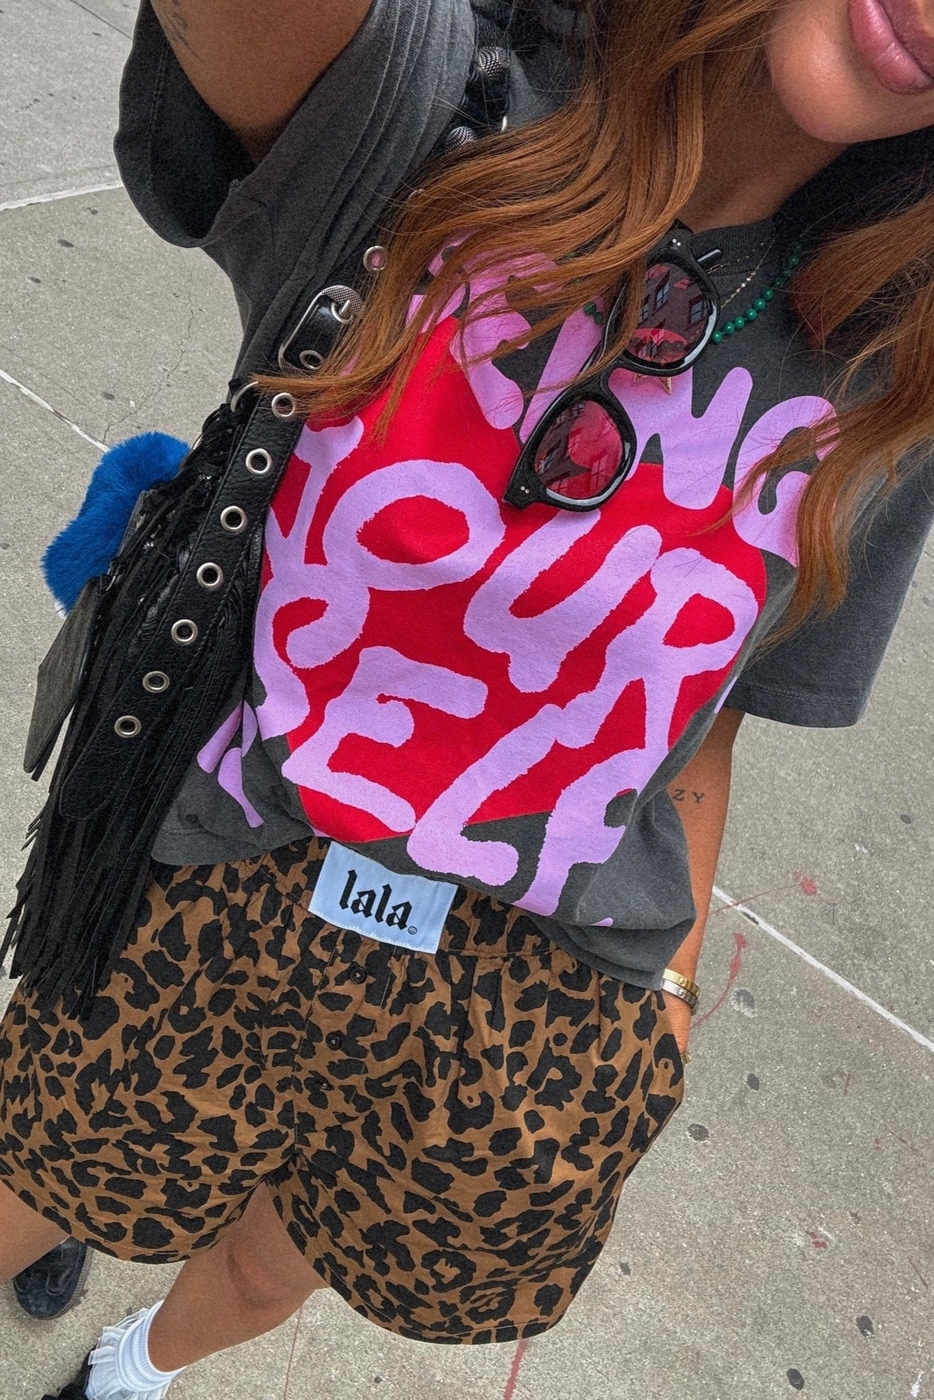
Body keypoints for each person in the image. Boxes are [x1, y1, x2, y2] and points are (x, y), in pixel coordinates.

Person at [3, 0, 934, 1394]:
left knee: (269, 1267)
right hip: (209, 867)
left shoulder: (889, 365)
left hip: (519, 988)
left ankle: (137, 1370)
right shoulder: (439, 106)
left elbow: (705, 717)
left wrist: (665, 1003)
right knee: (46, 1176)